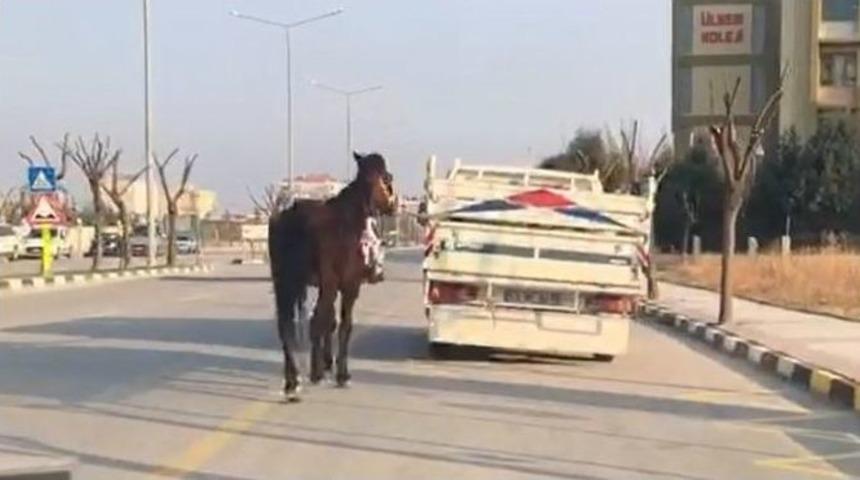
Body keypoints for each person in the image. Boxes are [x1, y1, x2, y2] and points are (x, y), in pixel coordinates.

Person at [361, 216, 385, 283]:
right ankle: (377, 271)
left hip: (366, 241)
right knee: (378, 253)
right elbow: (376, 231)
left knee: (377, 252)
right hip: (369, 241)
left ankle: (378, 271)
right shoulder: (370, 220)